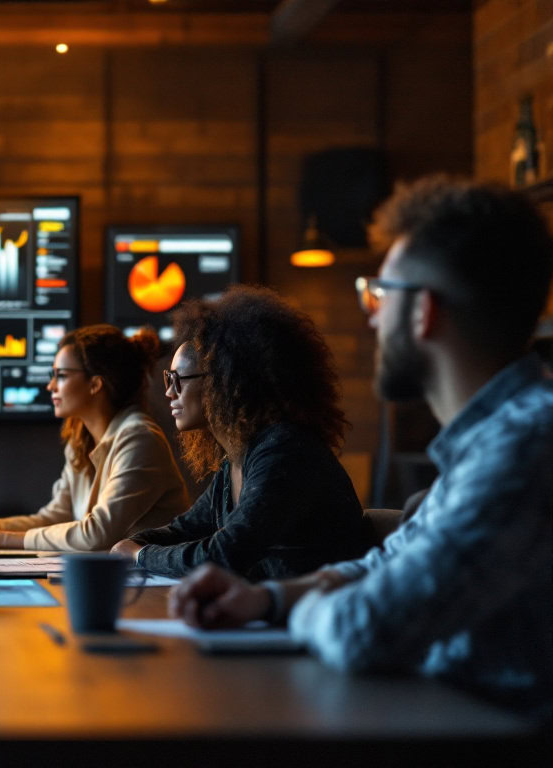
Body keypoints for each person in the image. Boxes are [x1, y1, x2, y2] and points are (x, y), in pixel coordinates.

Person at [168, 177, 553, 717]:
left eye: (378, 293)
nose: (371, 317)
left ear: (423, 311)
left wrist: (299, 608)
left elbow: (365, 628)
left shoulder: (524, 446)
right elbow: (383, 563)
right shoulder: (488, 445)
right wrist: (267, 599)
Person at [110, 286, 370, 580]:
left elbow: (223, 555)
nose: (169, 392)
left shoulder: (284, 452)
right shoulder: (238, 457)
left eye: (178, 379)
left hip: (311, 618)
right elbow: (184, 530)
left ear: (223, 381)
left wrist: (139, 554)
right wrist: (135, 543)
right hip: (273, 615)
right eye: (168, 379)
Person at [0, 325, 189, 551]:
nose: (51, 386)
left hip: (156, 589)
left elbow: (96, 534)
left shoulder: (140, 438)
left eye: (61, 375)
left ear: (95, 384)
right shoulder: (82, 439)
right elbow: (56, 517)